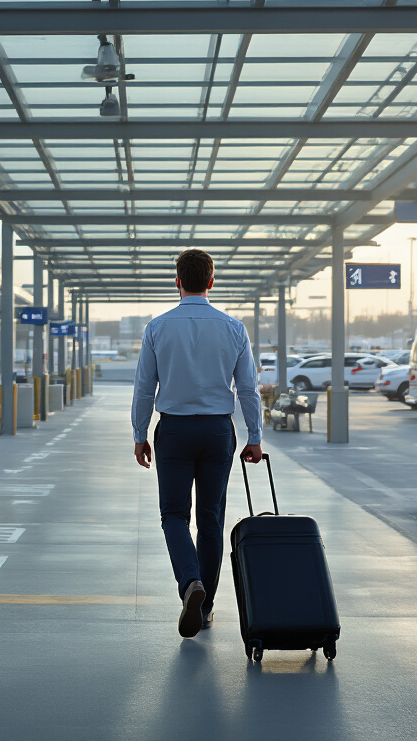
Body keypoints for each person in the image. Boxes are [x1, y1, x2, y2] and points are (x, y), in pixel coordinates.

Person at [131, 248, 263, 638]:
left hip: (172, 430)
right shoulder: (234, 328)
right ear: (211, 281)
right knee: (211, 519)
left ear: (177, 282)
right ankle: (204, 610)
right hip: (217, 431)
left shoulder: (157, 327)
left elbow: (143, 389)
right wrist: (254, 437)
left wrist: (140, 434)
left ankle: (190, 583)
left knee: (174, 515)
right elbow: (249, 389)